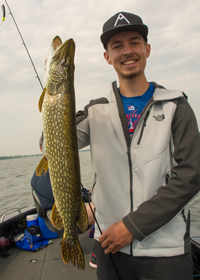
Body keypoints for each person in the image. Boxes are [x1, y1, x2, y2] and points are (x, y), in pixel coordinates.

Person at [76, 12, 200, 280]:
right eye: (117, 46)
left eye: (134, 42)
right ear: (107, 57)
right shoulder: (93, 111)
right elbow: (52, 143)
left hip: (166, 252)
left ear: (147, 49)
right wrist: (55, 103)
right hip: (110, 247)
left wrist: (132, 226)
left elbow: (190, 177)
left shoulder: (176, 106)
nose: (127, 51)